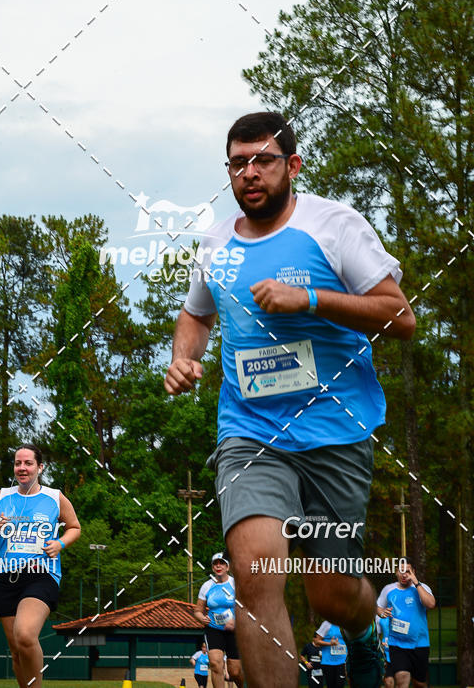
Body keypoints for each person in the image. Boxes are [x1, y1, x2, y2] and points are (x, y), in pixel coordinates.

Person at [165, 111, 416, 688]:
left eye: (263, 161)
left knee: (330, 596)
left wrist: (310, 299)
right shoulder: (217, 242)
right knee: (254, 576)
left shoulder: (333, 226)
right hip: (250, 432)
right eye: (238, 163)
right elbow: (196, 314)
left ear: (293, 165)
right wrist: (184, 356)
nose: (250, 173)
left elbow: (400, 317)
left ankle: (362, 632)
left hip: (334, 433)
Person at [0, 444, 81, 688]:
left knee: (25, 635)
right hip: (5, 576)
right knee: (17, 651)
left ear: (40, 467)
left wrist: (60, 543)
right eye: (18, 463)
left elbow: (75, 527)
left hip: (41, 574)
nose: (22, 468)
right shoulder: (1, 496)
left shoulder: (55, 497)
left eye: (28, 463)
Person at [377, 558, 435, 688]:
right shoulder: (388, 590)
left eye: (407, 571)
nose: (404, 575)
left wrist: (416, 583)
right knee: (401, 679)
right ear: (396, 572)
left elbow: (431, 604)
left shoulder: (422, 587)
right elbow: (377, 607)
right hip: (397, 644)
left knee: (419, 683)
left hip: (420, 644)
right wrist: (381, 612)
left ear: (413, 571)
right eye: (401, 571)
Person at [194, 553, 244, 688]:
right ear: (212, 567)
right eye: (215, 564)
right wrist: (201, 618)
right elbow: (197, 611)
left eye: (222, 563)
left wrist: (236, 620)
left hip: (234, 631)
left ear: (227, 567)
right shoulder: (206, 586)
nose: (218, 566)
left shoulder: (235, 584)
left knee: (234, 671)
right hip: (213, 629)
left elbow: (246, 607)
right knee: (215, 664)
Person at [315, 621, 347, 687]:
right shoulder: (327, 623)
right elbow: (316, 641)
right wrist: (330, 643)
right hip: (328, 662)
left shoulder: (345, 623)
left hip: (342, 662)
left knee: (340, 685)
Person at [375, 614, 394, 688]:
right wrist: (380, 644)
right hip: (387, 654)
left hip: (401, 651)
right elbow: (376, 634)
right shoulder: (380, 616)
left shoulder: (403, 612)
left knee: (401, 680)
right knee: (388, 682)